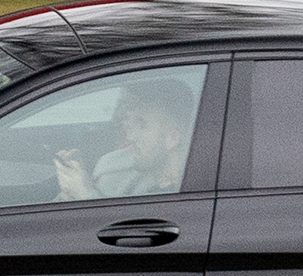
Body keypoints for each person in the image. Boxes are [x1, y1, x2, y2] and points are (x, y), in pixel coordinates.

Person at [53, 75, 196, 201]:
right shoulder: (144, 171)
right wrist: (78, 185)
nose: (130, 136)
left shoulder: (177, 197)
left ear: (173, 137)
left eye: (142, 124)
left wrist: (84, 195)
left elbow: (129, 229)